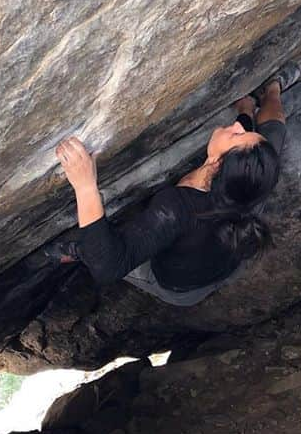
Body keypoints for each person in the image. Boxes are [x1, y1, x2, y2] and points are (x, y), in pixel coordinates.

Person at [52, 78, 287, 306]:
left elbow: (109, 266)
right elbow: (274, 127)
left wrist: (85, 186)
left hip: (180, 288)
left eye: (238, 133)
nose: (237, 126)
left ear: (217, 165)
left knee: (104, 248)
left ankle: (78, 251)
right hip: (222, 264)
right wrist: (262, 98)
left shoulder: (178, 209)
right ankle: (275, 87)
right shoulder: (254, 183)